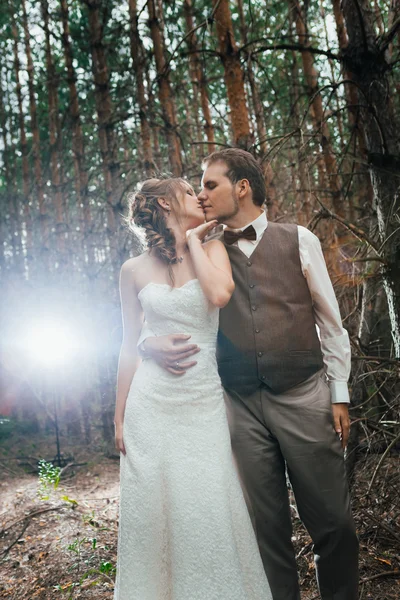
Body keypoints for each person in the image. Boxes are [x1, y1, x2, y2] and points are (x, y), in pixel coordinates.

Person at [139, 150, 359, 600]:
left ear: (242, 187)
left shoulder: (298, 239)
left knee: (333, 522)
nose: (201, 194)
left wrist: (338, 395)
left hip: (304, 394)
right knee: (265, 530)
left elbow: (330, 323)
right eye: (197, 187)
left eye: (210, 185)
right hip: (238, 406)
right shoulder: (203, 248)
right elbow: (158, 307)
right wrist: (146, 343)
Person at [113, 176, 272, 600]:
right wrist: (119, 414)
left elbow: (219, 295)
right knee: (154, 509)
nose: (199, 197)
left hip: (202, 400)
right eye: (188, 192)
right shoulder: (131, 270)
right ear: (165, 203)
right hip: (150, 403)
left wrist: (197, 241)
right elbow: (128, 344)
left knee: (207, 503)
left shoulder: (213, 247)